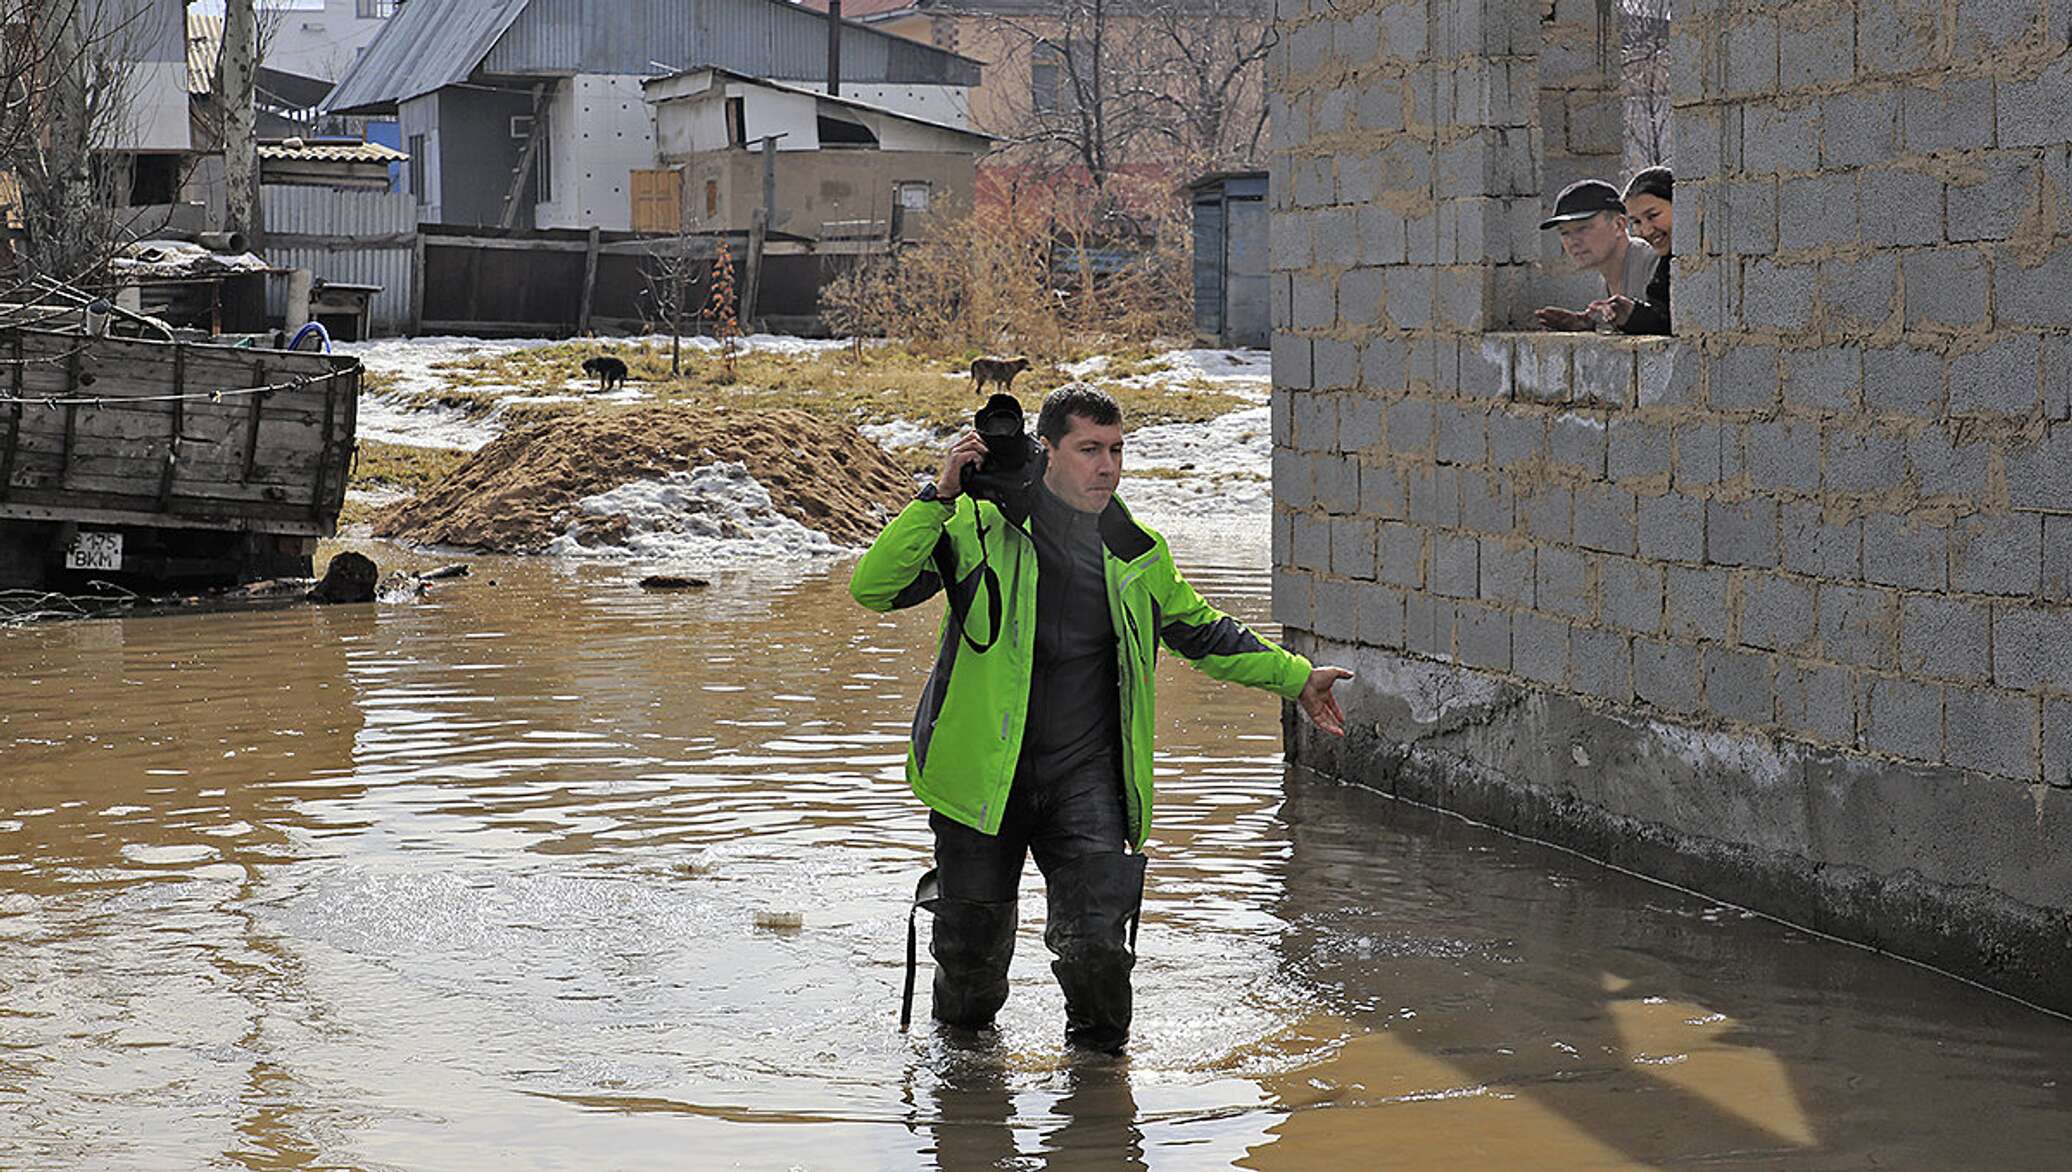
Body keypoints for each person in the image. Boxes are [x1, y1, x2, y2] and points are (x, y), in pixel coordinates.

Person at [850, 384, 1352, 1055]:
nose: (1107, 466)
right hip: (978, 783)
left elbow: (1202, 630)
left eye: (1116, 450)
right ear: (1047, 451)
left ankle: (1099, 1110)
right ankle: (965, 1100)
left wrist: (1297, 678)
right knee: (968, 979)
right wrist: (938, 497)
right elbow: (873, 588)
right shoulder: (974, 527)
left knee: (1097, 957)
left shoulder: (1134, 553)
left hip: (1086, 783)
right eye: (1089, 450)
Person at [1533, 178, 1657, 332]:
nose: (1573, 242)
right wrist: (1589, 325)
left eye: (1583, 229)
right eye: (1564, 233)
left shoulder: (1653, 265)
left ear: (1618, 225)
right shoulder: (1605, 277)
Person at [1590, 167, 1673, 336]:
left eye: (1653, 215)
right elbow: (1666, 323)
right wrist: (1631, 315)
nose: (1646, 230)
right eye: (1636, 221)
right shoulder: (1664, 269)